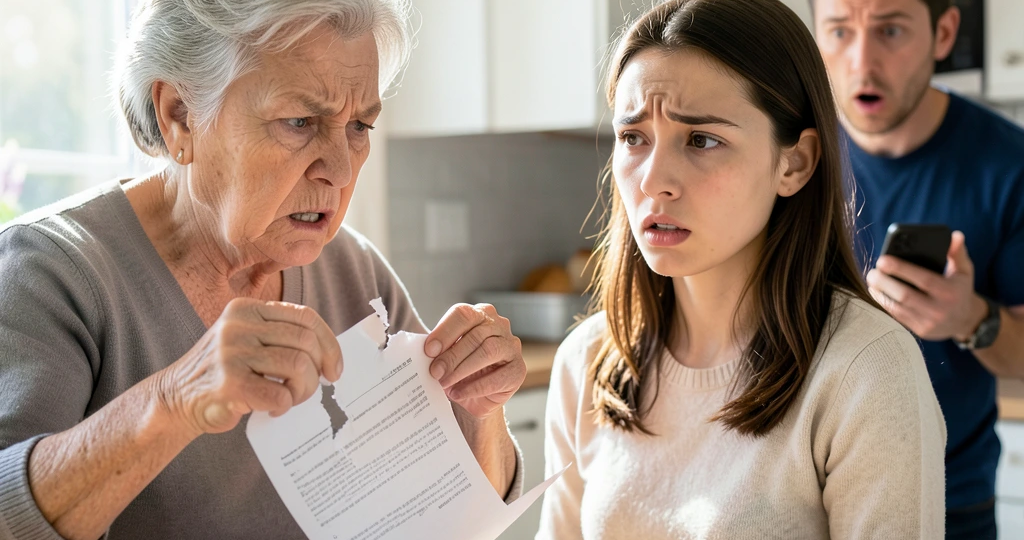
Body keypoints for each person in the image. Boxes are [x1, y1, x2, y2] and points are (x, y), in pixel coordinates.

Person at [0, 1, 527, 538]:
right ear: (179, 116)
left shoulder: (355, 271)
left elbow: (464, 513)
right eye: (299, 122)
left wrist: (481, 409)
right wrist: (176, 399)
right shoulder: (49, 272)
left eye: (359, 125)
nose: (341, 169)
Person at [536, 0, 947, 538]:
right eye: (633, 138)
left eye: (702, 140)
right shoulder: (586, 361)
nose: (653, 180)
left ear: (795, 163)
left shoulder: (866, 369)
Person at [812, 0, 1024, 536]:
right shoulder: (789, 154)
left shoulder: (1009, 165)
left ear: (944, 33)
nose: (862, 62)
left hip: (953, 504)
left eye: (890, 30)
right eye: (839, 31)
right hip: (804, 494)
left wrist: (970, 318)